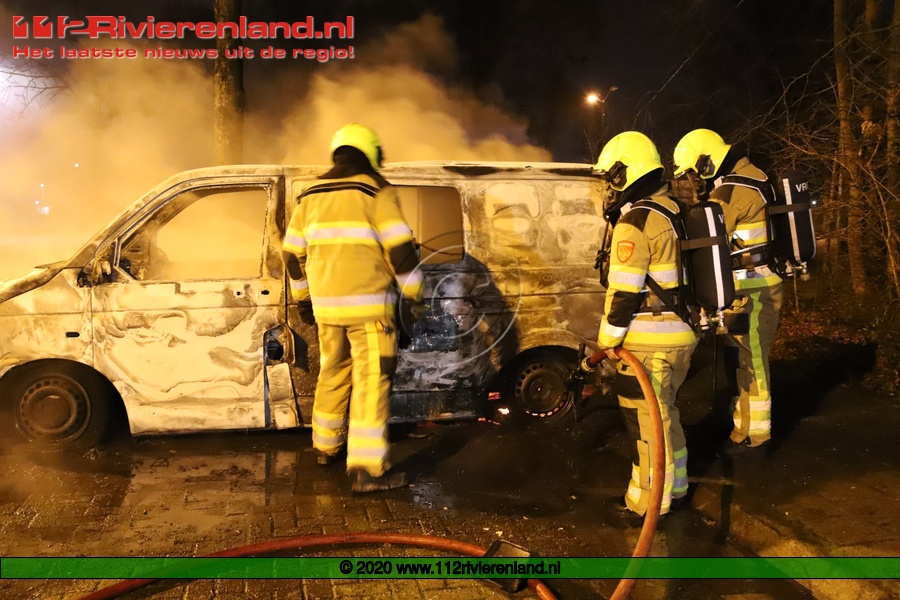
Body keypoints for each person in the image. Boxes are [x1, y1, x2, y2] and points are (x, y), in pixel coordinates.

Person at [282, 123, 423, 493]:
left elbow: (291, 255)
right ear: (370, 153)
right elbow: (400, 249)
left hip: (328, 311)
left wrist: (304, 299)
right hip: (371, 311)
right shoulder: (375, 191)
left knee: (333, 372)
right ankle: (367, 470)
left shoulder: (309, 195)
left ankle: (325, 447)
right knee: (371, 383)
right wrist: (415, 295)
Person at [593, 131, 699, 517]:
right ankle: (678, 485)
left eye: (612, 177)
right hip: (682, 334)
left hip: (651, 342)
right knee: (665, 414)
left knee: (645, 423)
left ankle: (647, 503)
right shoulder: (676, 211)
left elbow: (623, 294)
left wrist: (607, 342)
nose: (609, 187)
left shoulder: (635, 222)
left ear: (626, 173)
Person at [673, 128, 782, 451]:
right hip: (759, 283)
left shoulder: (731, 193)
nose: (695, 179)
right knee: (745, 356)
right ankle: (743, 425)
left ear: (707, 161)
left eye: (695, 171)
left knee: (753, 358)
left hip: (753, 287)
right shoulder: (756, 177)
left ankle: (757, 432)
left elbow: (707, 236)